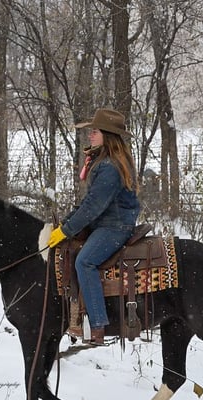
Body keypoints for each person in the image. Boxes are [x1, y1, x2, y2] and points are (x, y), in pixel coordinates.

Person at [47, 108, 140, 346]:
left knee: (84, 261)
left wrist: (65, 231)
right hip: (106, 222)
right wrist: (66, 224)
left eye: (95, 131)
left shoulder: (109, 167)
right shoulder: (106, 161)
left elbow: (93, 207)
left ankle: (97, 324)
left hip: (114, 226)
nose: (90, 135)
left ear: (108, 136)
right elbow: (88, 203)